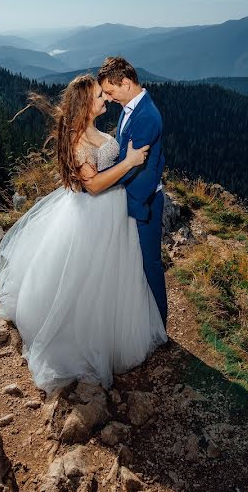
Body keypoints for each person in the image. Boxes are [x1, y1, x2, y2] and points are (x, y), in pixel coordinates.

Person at [0, 74, 168, 394]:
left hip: (113, 211)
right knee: (90, 278)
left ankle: (113, 328)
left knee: (113, 275)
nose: (105, 99)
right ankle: (88, 340)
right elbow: (94, 184)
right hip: (95, 213)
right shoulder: (77, 141)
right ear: (86, 104)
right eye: (100, 95)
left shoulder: (91, 131)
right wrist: (129, 162)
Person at [97, 56, 168, 328]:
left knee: (150, 264)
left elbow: (132, 167)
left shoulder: (147, 117)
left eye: (111, 91)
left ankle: (159, 326)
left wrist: (96, 184)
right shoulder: (130, 107)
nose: (109, 98)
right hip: (129, 197)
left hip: (143, 201)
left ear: (125, 83)